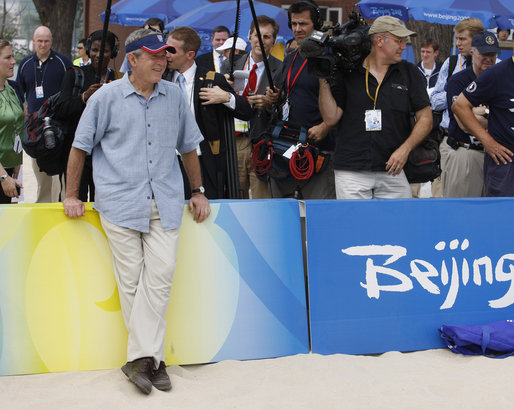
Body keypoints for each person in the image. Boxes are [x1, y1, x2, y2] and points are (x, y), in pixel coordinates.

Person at [63, 28, 210, 394]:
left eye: (166, 55)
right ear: (132, 59)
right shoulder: (106, 98)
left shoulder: (175, 96)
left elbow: (188, 147)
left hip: (166, 202)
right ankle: (154, 361)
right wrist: (71, 194)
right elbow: (79, 148)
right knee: (131, 285)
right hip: (119, 203)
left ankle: (140, 360)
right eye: (154, 55)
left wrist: (198, 190)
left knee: (159, 279)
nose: (162, 61)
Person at [318, 16, 432, 199]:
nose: (404, 46)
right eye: (399, 41)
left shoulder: (409, 72)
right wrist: (322, 77)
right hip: (351, 171)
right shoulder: (348, 71)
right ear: (379, 40)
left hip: (393, 169)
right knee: (356, 227)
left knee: (397, 226)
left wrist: (405, 149)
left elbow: (426, 118)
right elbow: (331, 118)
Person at [164, 27, 252, 199]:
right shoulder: (161, 78)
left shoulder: (212, 79)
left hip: (202, 161)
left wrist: (226, 97)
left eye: (172, 50)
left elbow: (246, 111)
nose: (166, 54)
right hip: (167, 162)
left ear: (189, 54)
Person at [266, 0, 336, 199]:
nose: (298, 29)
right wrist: (277, 97)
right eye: (294, 24)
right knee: (284, 214)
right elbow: (292, 94)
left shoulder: (331, 56)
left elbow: (344, 100)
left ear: (316, 23)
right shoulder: (291, 58)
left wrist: (326, 126)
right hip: (288, 146)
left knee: (318, 215)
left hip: (320, 149)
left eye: (303, 23)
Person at [55, 30, 122, 202]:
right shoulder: (75, 74)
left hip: (106, 152)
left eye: (105, 51)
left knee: (103, 201)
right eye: (94, 50)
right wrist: (84, 97)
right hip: (77, 149)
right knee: (76, 200)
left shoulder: (118, 79)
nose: (98, 55)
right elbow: (61, 108)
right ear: (87, 49)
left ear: (113, 53)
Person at [220, 15, 283, 199]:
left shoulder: (280, 69)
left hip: (263, 142)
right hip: (235, 141)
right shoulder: (230, 64)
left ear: (273, 41)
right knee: (235, 197)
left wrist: (271, 103)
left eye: (267, 37)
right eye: (257, 35)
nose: (261, 41)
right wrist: (226, 89)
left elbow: (284, 109)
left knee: (261, 200)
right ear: (249, 36)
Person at [16, 26, 72, 203]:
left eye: (46, 41)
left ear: (51, 41)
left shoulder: (63, 62)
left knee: (61, 176)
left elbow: (70, 90)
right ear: (33, 41)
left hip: (59, 125)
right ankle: (43, 209)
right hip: (36, 128)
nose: (43, 44)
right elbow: (18, 92)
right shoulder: (25, 64)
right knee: (41, 175)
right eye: (39, 41)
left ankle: (62, 208)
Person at [442, 31, 500, 198]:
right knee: (461, 215)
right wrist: (486, 115)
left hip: (494, 158)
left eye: (492, 54)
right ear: (473, 53)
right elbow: (463, 122)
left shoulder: (500, 80)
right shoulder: (458, 81)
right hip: (466, 153)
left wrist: (483, 112)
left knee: (492, 217)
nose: (489, 59)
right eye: (484, 54)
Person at [452, 41, 514, 197]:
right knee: (502, 217)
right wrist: (487, 141)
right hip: (506, 163)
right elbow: (460, 105)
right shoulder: (497, 74)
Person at [0, 39, 24, 203]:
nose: (13, 61)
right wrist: (3, 176)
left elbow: (18, 124)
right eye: (8, 57)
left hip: (10, 170)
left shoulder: (11, 89)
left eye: (13, 56)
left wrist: (17, 162)